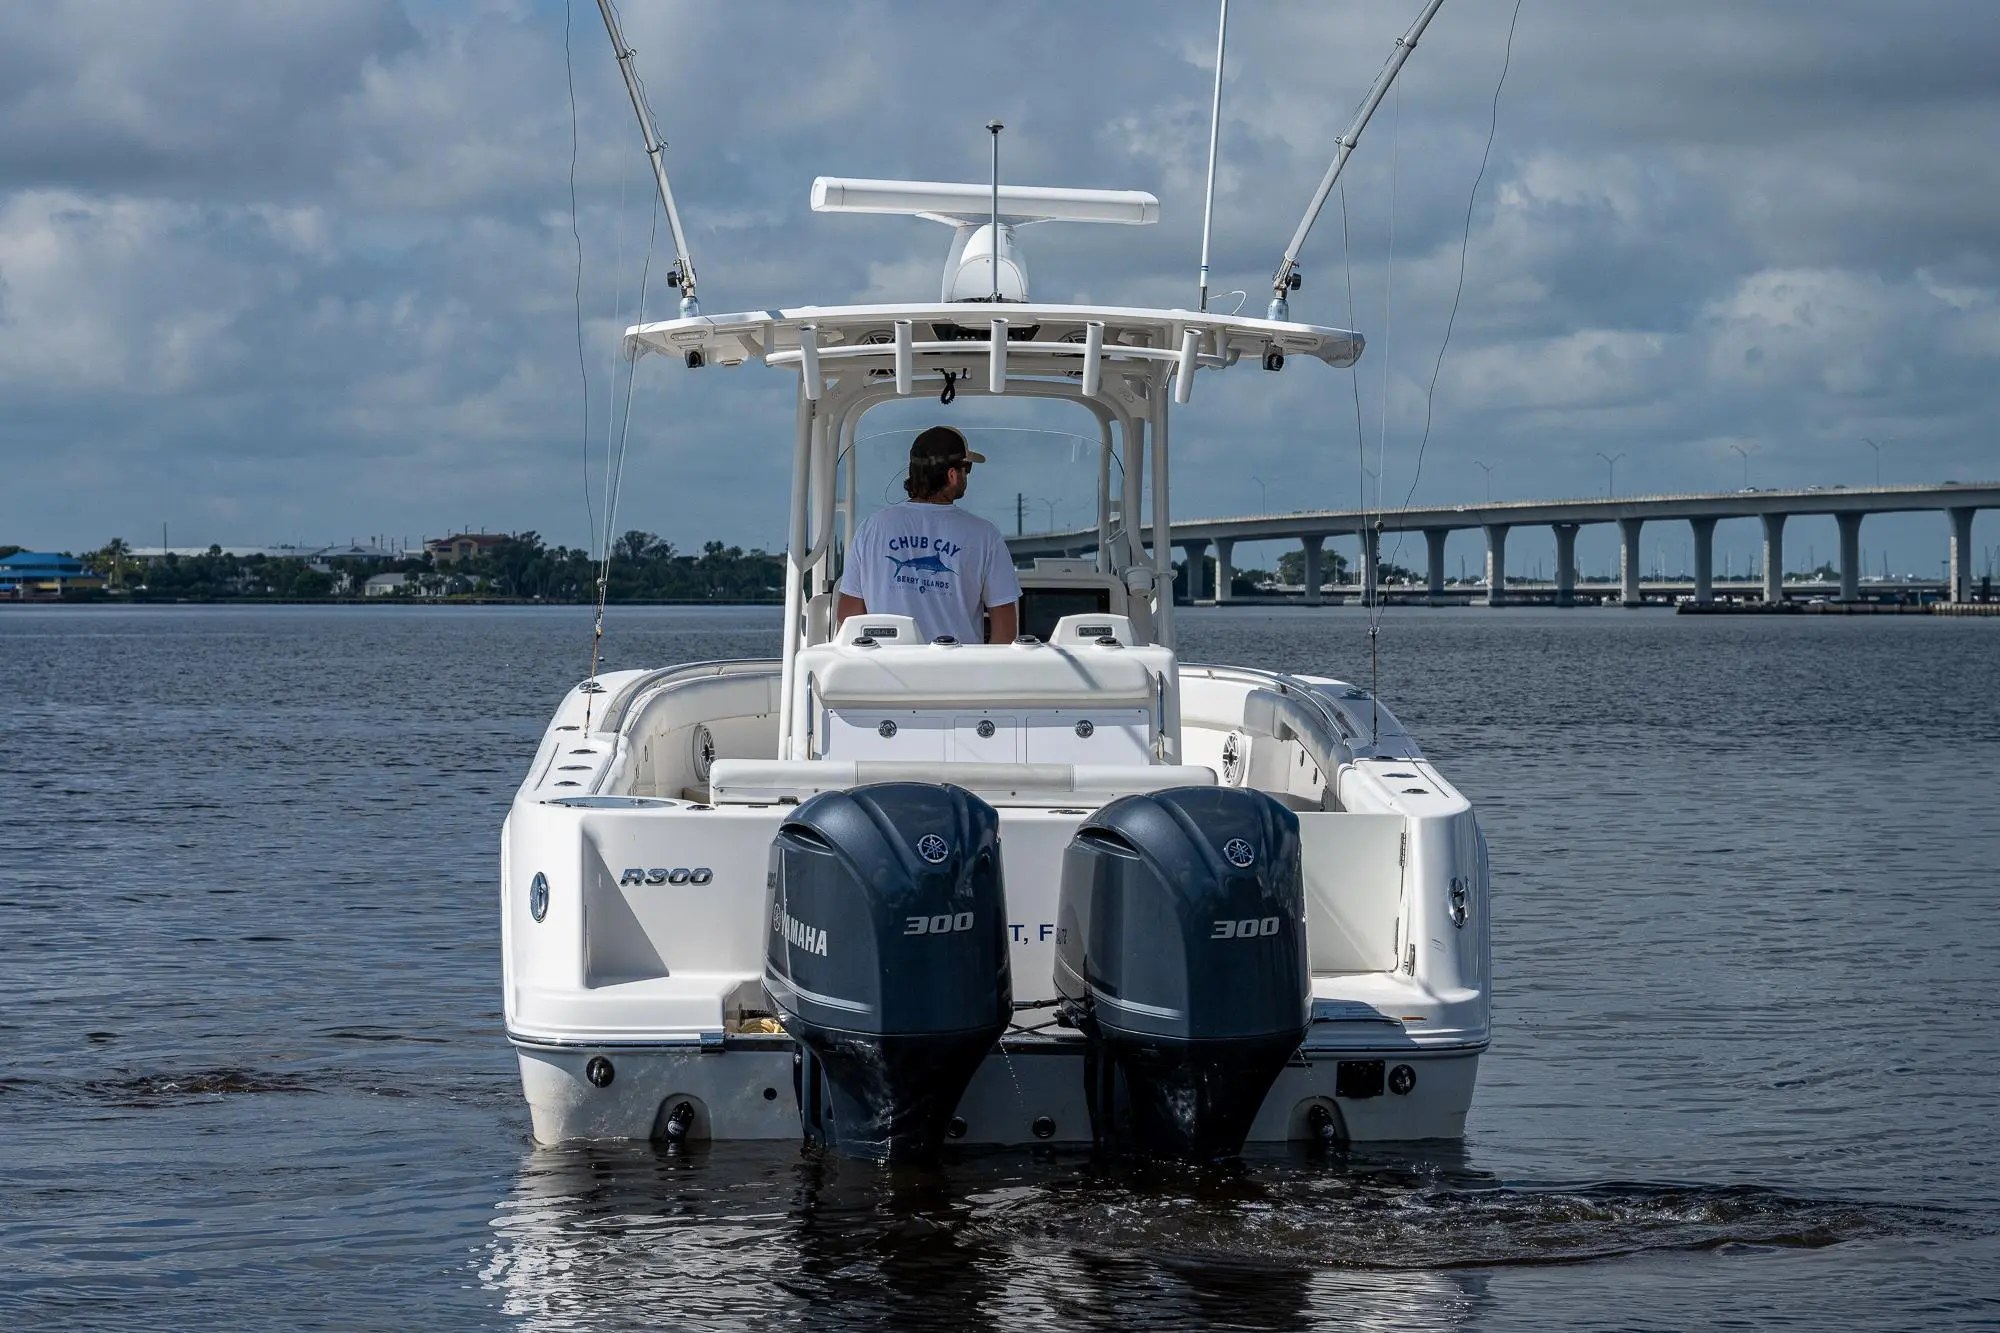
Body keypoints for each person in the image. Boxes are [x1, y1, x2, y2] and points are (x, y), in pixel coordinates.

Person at [838, 425, 1021, 644]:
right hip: (956, 675)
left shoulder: (871, 529)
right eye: (967, 469)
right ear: (952, 475)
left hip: (886, 674)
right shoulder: (985, 536)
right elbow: (1006, 629)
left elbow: (848, 618)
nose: (967, 476)